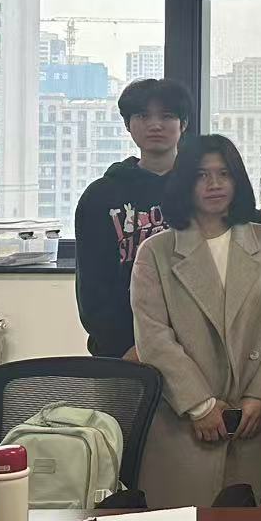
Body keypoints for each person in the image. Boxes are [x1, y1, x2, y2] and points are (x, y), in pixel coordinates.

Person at [130, 135, 261, 508]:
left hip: (255, 419)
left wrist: (260, 394)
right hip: (184, 422)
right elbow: (153, 338)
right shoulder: (156, 251)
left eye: (224, 174)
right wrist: (200, 405)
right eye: (201, 175)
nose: (214, 184)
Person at [74, 77, 192, 360]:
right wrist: (127, 348)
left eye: (167, 116)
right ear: (127, 124)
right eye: (143, 116)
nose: (155, 125)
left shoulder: (202, 189)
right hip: (122, 353)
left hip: (195, 346)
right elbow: (92, 288)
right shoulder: (100, 196)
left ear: (183, 123)